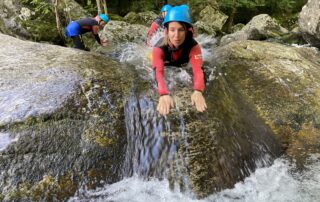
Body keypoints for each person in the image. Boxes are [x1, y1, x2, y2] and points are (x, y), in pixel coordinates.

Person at [152, 5, 207, 116]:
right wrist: (163, 94)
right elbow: (158, 72)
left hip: (181, 62)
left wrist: (198, 91)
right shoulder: (159, 48)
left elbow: (198, 70)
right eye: (172, 30)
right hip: (165, 61)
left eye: (181, 30)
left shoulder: (193, 46)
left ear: (187, 31)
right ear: (166, 31)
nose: (176, 36)